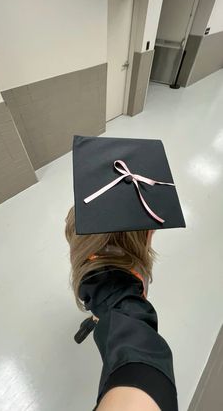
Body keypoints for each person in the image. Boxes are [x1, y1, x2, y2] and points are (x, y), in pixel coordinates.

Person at [66, 135, 186, 410]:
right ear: (147, 234)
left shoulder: (79, 233)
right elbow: (132, 332)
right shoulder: (120, 289)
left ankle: (97, 315)